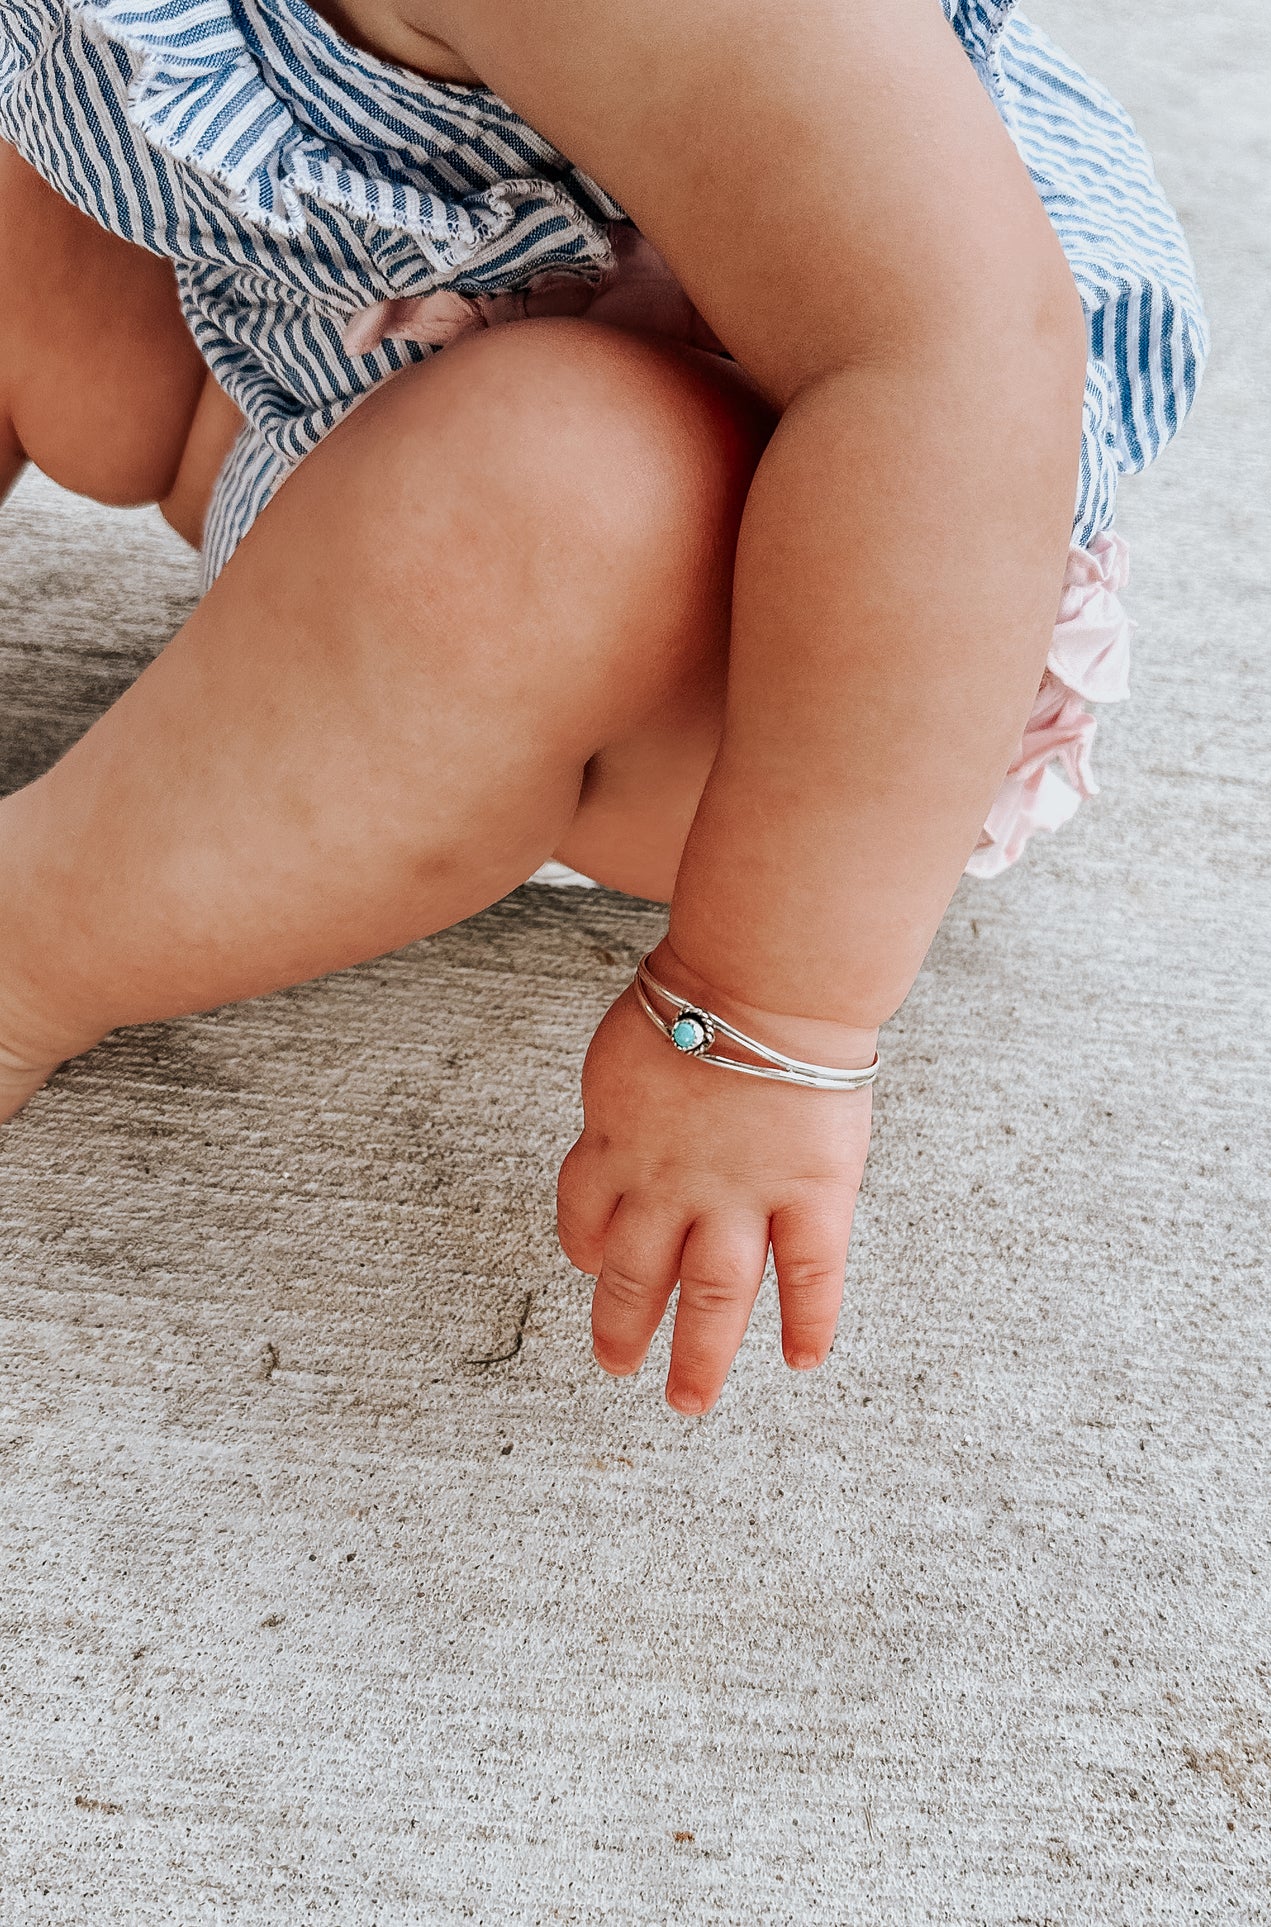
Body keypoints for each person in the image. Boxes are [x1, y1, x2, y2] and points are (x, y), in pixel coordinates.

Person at [0, 0, 1207, 1411]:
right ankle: (323, 623)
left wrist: (767, 1011)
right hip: (326, 343)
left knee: (559, 485)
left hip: (788, 631)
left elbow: (946, 359)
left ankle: (34, 943)